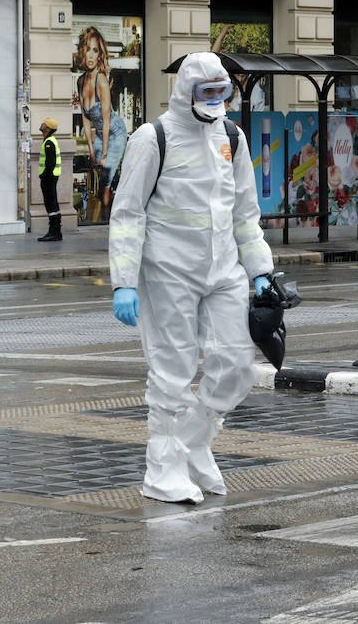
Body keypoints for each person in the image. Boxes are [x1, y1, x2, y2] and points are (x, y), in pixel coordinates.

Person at [109, 52, 274, 505]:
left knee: (238, 366)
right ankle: (162, 470)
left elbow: (245, 213)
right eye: (208, 91)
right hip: (168, 271)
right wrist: (124, 280)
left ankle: (193, 441)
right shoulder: (153, 137)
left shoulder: (233, 138)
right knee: (173, 371)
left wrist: (260, 271)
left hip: (224, 270)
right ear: (187, 91)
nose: (216, 100)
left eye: (223, 91)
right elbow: (127, 213)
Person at [74, 26, 128, 215]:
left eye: (95, 50)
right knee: (96, 180)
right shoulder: (80, 82)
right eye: (87, 49)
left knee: (104, 181)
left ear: (100, 55)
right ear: (83, 51)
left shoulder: (102, 81)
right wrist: (91, 149)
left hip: (115, 133)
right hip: (99, 134)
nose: (90, 55)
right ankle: (100, 216)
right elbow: (86, 119)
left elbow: (106, 122)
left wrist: (103, 154)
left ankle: (106, 220)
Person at [37, 116, 63, 242]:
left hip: (49, 178)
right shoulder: (50, 140)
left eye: (44, 123)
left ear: (47, 128)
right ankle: (56, 232)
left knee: (51, 204)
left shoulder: (49, 143)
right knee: (53, 204)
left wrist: (44, 176)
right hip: (52, 177)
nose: (41, 124)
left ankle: (54, 232)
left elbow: (50, 163)